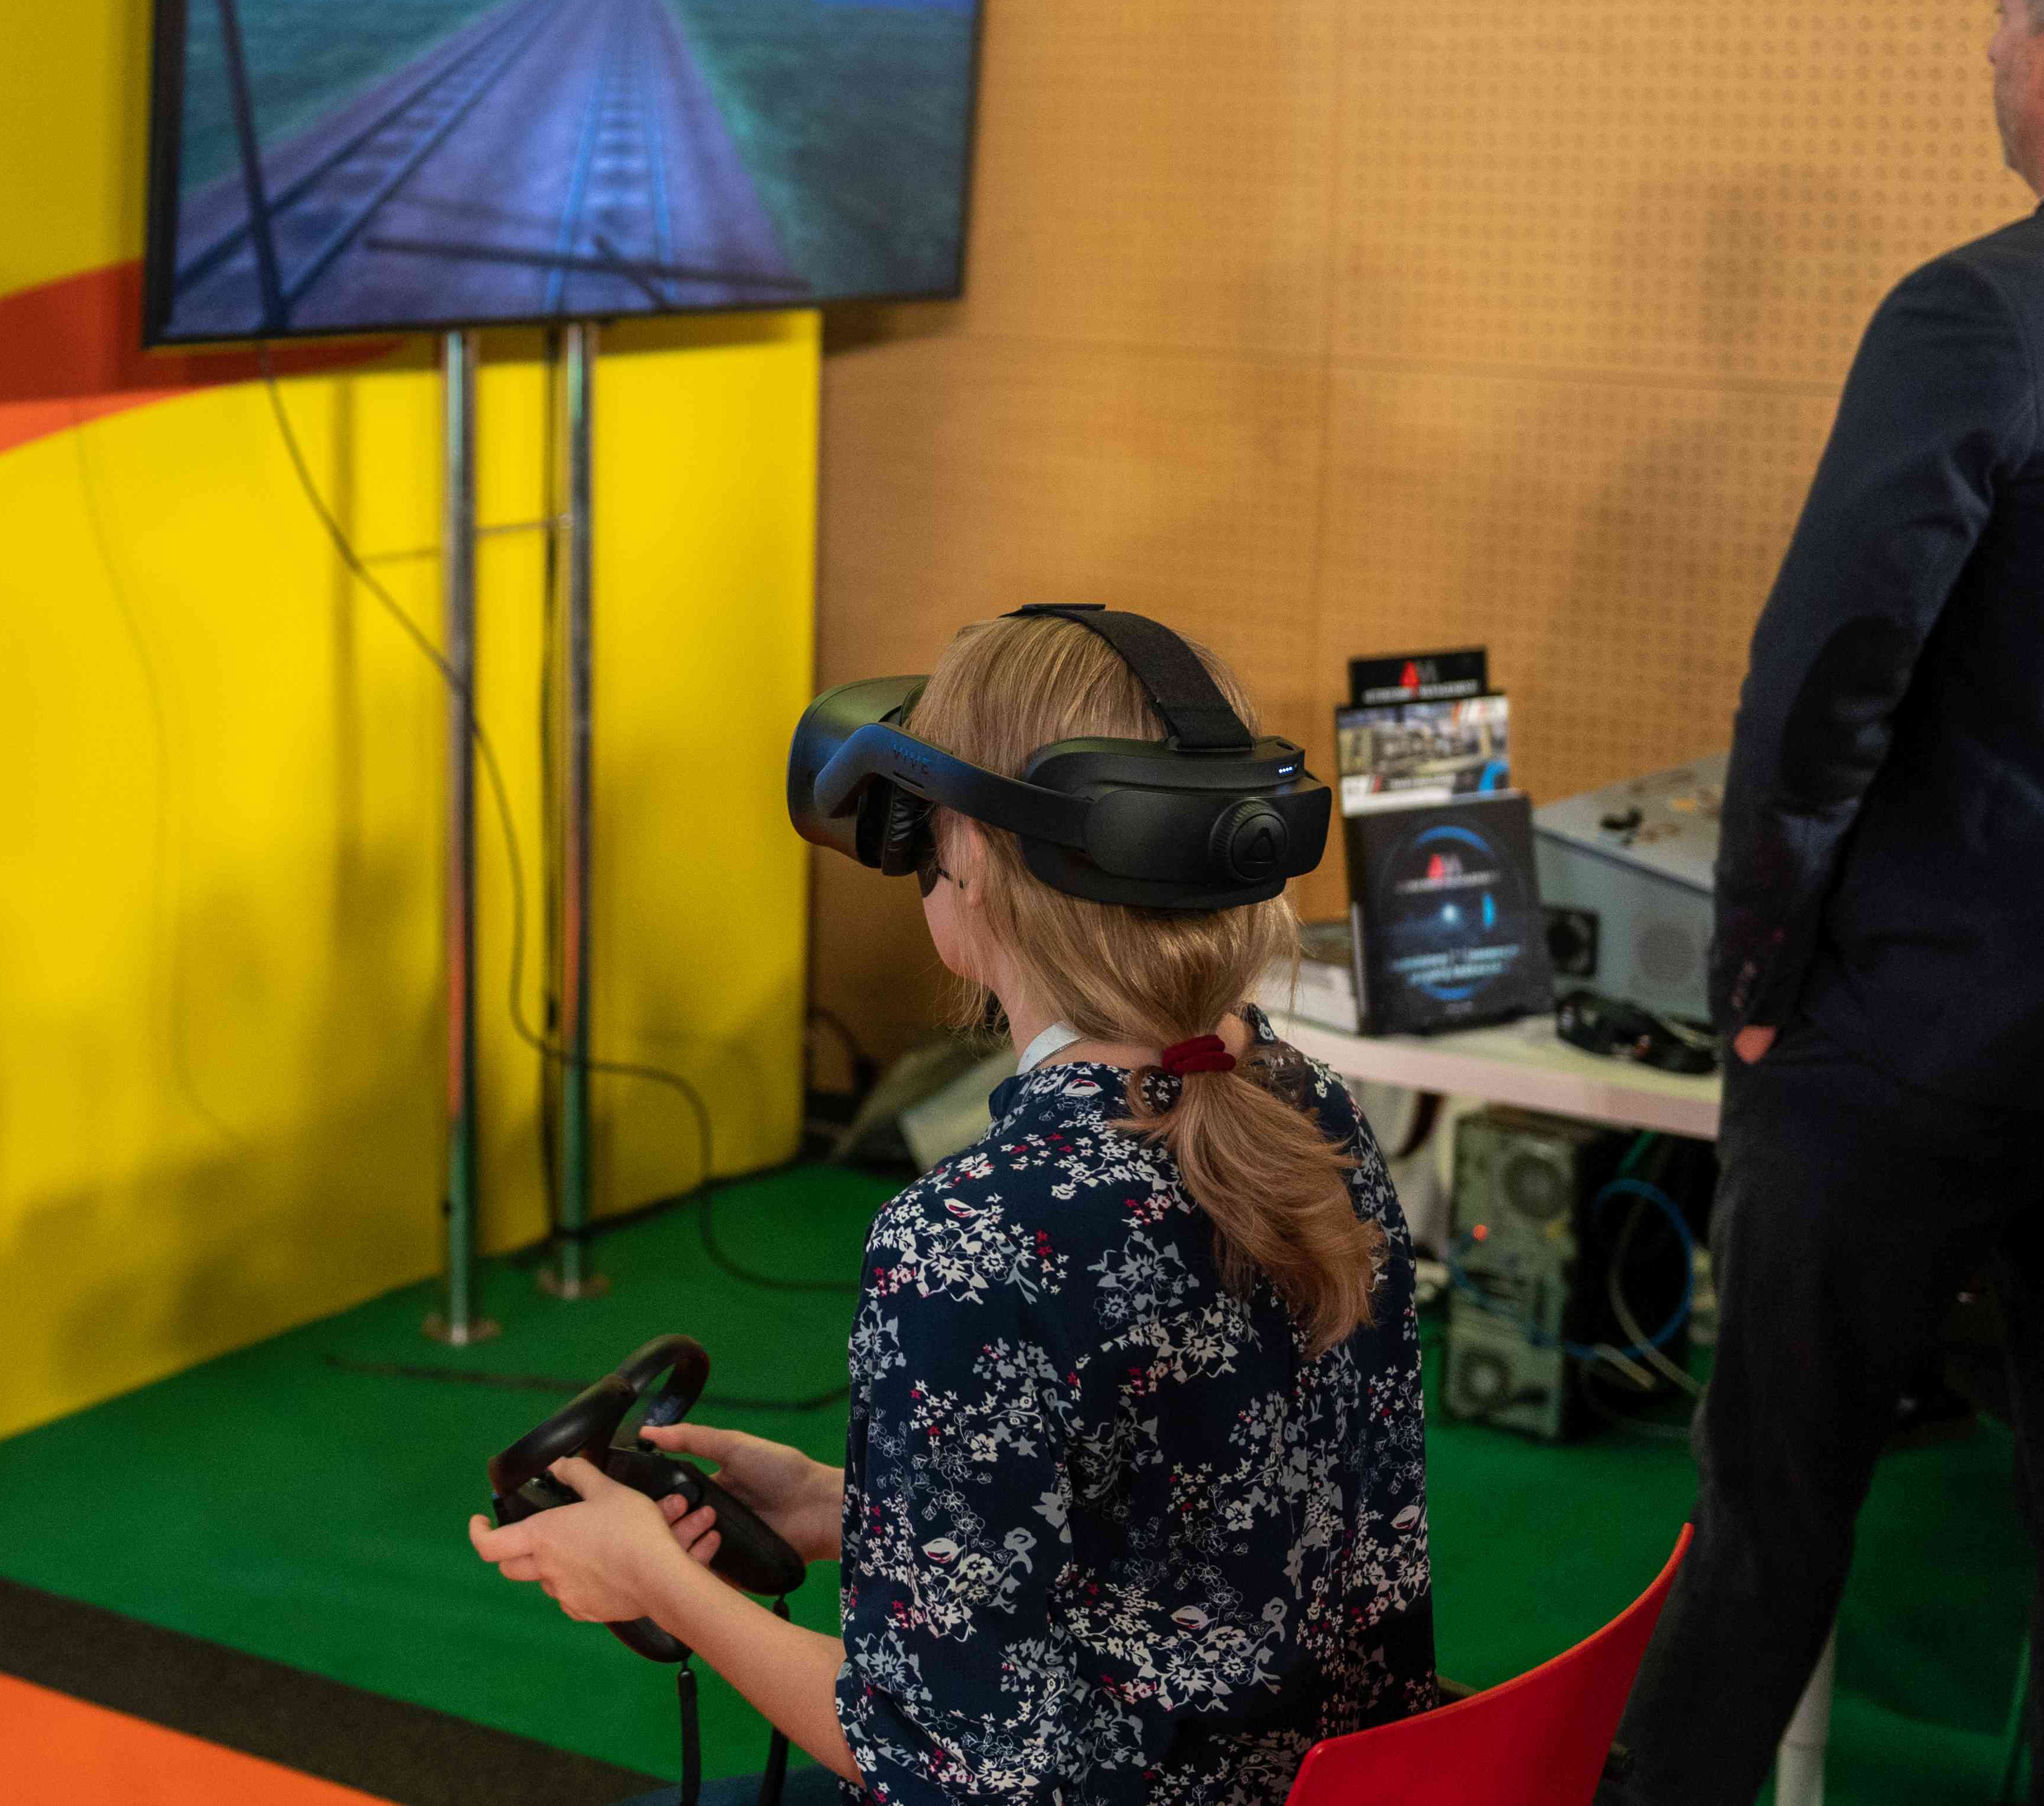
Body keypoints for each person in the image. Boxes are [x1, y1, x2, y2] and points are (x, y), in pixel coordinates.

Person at [1602, 0, 2044, 1806]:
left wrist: (1751, 976)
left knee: (1771, 1507)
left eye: (1996, 10)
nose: (1987, 49)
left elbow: (1825, 680)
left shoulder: (1979, 307)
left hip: (1904, 1036)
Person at [472, 612, 1438, 1802]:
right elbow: (1209, 1524)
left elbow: (948, 1774)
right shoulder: (1309, 1105)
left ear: (968, 855)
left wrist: (658, 1582)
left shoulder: (972, 1241)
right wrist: (852, 1508)